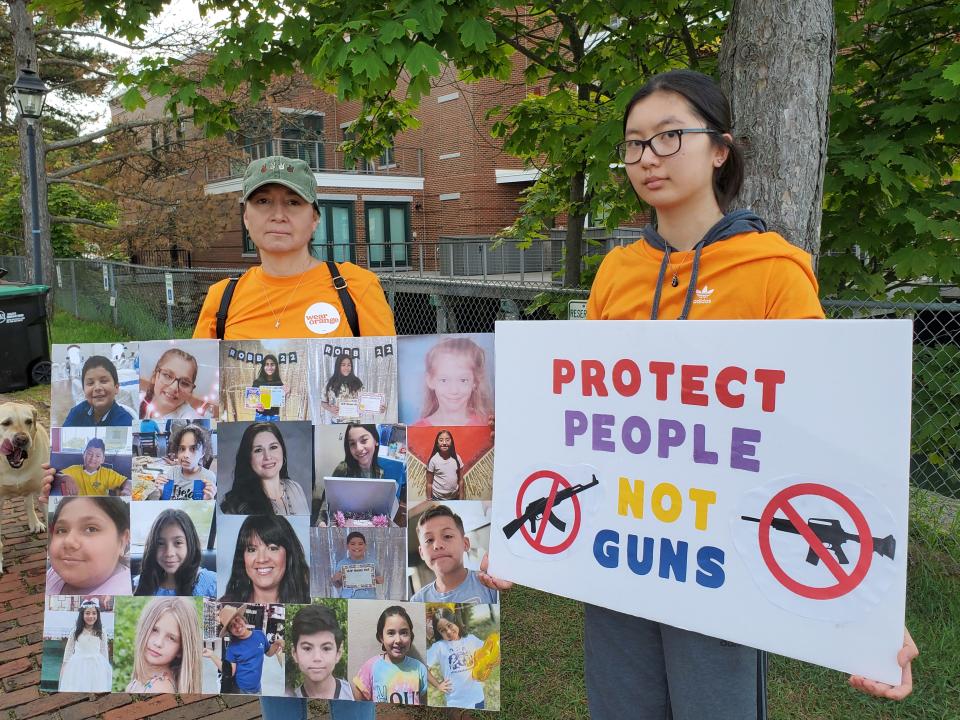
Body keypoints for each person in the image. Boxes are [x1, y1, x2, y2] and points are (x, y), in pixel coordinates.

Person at [584, 68, 917, 719]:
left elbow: (822, 436)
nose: (648, 157)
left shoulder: (773, 270)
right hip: (618, 555)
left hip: (723, 560)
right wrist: (520, 539)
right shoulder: (615, 274)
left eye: (669, 136)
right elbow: (584, 419)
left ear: (719, 148)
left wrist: (873, 612)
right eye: (634, 143)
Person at [195, 154, 396, 720]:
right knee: (280, 658)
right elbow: (202, 404)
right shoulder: (224, 298)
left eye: (292, 203)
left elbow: (388, 384)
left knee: (349, 660)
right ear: (246, 216)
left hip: (328, 503)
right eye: (263, 202)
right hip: (262, 519)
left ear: (314, 218)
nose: (277, 214)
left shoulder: (354, 287)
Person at [411, 505, 497, 604]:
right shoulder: (418, 601)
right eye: (429, 540)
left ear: (465, 544)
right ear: (422, 553)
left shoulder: (490, 584)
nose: (437, 545)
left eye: (447, 536)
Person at [46, 496, 131, 595]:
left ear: (122, 541)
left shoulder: (125, 591)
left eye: (91, 529)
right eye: (61, 530)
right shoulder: (53, 573)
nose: (68, 541)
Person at [220, 422, 310, 515]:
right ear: (248, 458)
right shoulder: (236, 506)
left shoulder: (295, 488)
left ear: (282, 450)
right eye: (258, 450)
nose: (268, 457)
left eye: (273, 447)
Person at [220, 514, 310, 604]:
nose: (262, 559)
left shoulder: (309, 601)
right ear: (242, 558)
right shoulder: (224, 605)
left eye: (272, 548)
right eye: (252, 550)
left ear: (289, 554)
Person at [352, 605, 429, 704]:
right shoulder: (370, 668)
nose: (398, 640)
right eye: (391, 633)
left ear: (411, 636)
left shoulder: (420, 669)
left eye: (404, 633)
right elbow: (359, 706)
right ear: (381, 637)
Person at [133, 508, 217, 598]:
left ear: (190, 545)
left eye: (178, 543)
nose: (169, 553)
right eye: (161, 543)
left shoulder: (212, 584)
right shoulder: (144, 581)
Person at [126, 596, 203, 693]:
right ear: (144, 629)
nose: (158, 643)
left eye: (171, 638)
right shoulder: (145, 681)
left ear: (180, 650)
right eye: (154, 630)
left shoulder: (159, 687)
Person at [204, 604, 283, 695]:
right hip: (242, 691)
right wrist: (212, 655)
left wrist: (277, 643)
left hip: (258, 688)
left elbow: (268, 652)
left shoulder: (260, 635)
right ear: (230, 632)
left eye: (237, 620)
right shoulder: (232, 648)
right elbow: (230, 672)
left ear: (243, 618)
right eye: (232, 626)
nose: (237, 626)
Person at [413, 337, 493, 427]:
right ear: (430, 381)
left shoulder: (487, 426)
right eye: (444, 380)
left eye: (463, 380)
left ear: (475, 381)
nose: (454, 390)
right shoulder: (417, 431)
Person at [426, 606, 491, 709]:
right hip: (455, 702)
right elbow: (422, 666)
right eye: (442, 630)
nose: (448, 632)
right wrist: (438, 685)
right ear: (439, 633)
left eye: (449, 625)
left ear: (455, 620)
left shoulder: (471, 639)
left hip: (477, 698)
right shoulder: (439, 647)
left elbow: (489, 651)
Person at [287, 604, 354, 699]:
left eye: (326, 648)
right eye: (307, 648)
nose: (317, 658)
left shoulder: (354, 694)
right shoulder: (288, 701)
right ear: (295, 653)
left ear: (338, 653)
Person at [147, 423, 216, 501]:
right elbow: (166, 501)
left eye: (193, 449)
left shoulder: (208, 477)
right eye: (182, 449)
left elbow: (204, 510)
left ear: (203, 452)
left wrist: (209, 500)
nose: (186, 455)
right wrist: (162, 492)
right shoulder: (172, 473)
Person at [140, 348, 211, 421]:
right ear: (155, 376)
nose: (174, 388)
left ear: (191, 391)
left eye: (184, 383)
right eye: (168, 376)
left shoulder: (191, 418)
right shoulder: (140, 400)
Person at [63, 355, 134, 427]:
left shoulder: (126, 422)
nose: (97, 388)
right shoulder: (76, 413)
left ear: (116, 388)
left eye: (103, 381)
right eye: (90, 383)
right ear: (84, 390)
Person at [58, 599, 113, 692]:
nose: (91, 616)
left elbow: (103, 650)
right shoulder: (76, 631)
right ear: (82, 615)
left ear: (97, 615)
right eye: (87, 613)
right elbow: (69, 649)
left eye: (94, 613)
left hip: (96, 664)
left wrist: (105, 667)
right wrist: (65, 665)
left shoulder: (102, 632)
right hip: (78, 664)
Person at [56, 437, 131, 496]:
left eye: (98, 456)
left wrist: (127, 490)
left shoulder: (107, 473)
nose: (93, 458)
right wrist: (65, 477)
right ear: (84, 455)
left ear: (103, 459)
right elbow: (55, 476)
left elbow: (127, 481)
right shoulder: (74, 469)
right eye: (90, 454)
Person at [331, 531, 383, 600]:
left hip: (369, 599)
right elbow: (338, 585)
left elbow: (379, 579)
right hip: (348, 599)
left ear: (365, 546)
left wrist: (379, 580)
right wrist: (335, 580)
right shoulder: (342, 564)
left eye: (360, 544)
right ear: (347, 546)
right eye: (352, 544)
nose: (356, 546)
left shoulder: (373, 562)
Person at [321, 355, 364, 423]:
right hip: (337, 423)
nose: (346, 368)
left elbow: (364, 402)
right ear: (338, 366)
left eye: (349, 365)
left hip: (355, 422)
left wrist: (377, 407)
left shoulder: (357, 382)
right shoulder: (330, 384)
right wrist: (330, 409)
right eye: (343, 365)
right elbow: (323, 402)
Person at [425, 430, 463, 501]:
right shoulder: (433, 460)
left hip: (454, 498)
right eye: (441, 440)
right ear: (437, 443)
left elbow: (461, 480)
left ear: (451, 442)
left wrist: (461, 497)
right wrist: (429, 499)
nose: (444, 443)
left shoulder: (457, 458)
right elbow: (429, 483)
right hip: (437, 498)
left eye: (447, 440)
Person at [252, 354, 286, 421]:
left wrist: (286, 394)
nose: (269, 367)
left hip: (275, 416)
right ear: (263, 366)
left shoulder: (279, 383)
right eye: (267, 364)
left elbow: (281, 402)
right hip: (260, 416)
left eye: (272, 364)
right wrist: (257, 405)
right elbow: (252, 401)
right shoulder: (257, 382)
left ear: (276, 366)